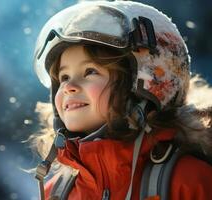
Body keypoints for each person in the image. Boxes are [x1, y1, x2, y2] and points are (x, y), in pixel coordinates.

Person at [30, 1, 212, 199]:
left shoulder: (187, 181)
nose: (67, 86)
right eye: (64, 77)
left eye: (90, 71)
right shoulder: (56, 194)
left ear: (146, 86)